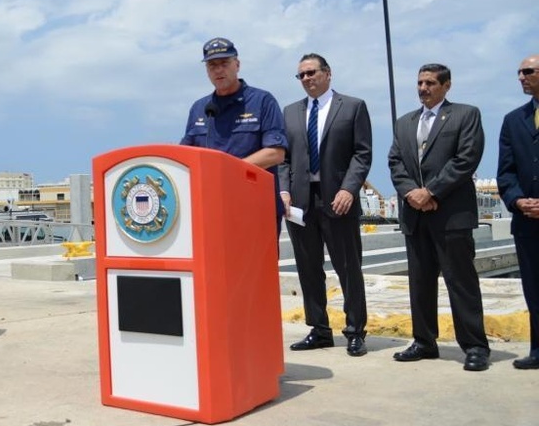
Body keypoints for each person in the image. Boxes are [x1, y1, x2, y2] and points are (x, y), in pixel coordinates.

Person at [387, 63, 490, 371]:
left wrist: (430, 192)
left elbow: (466, 159)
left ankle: (474, 346)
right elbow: (395, 162)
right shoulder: (404, 123)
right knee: (420, 283)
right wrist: (411, 194)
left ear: (446, 85)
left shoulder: (465, 115)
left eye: (430, 82)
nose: (423, 88)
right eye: (420, 82)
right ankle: (424, 341)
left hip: (450, 216)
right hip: (415, 217)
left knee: (461, 282)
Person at [278, 54, 372, 356]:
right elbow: (284, 158)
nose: (306, 79)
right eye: (301, 76)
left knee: (348, 268)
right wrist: (283, 190)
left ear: (327, 73)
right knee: (308, 268)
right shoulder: (290, 112)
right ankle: (319, 329)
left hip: (338, 199)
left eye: (311, 73)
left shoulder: (353, 107)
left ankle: (355, 330)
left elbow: (362, 153)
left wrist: (349, 189)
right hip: (300, 203)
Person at [180, 37, 287, 232]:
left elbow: (275, 153)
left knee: (255, 264)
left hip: (255, 209)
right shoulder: (199, 108)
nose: (218, 70)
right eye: (212, 65)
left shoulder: (262, 101)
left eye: (224, 63)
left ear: (237, 65)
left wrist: (228, 173)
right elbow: (185, 156)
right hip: (210, 209)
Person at [497, 53, 539, 370]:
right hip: (526, 222)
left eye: (528, 71)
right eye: (519, 72)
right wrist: (517, 200)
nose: (521, 77)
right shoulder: (514, 120)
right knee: (534, 288)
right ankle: (538, 349)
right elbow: (506, 172)